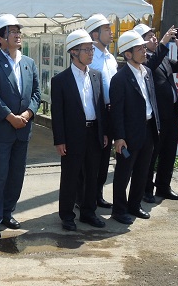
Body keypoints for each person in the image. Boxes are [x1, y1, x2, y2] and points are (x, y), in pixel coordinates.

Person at [0, 14, 41, 241]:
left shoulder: (29, 63)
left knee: (16, 174)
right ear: (0, 38)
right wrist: (9, 116)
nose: (17, 35)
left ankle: (7, 212)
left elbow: (36, 92)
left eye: (18, 31)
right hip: (2, 129)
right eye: (12, 32)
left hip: (23, 128)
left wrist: (27, 114)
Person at [51, 29, 109, 231]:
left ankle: (88, 212)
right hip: (73, 135)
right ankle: (67, 215)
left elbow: (100, 106)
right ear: (73, 52)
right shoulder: (61, 81)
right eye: (87, 49)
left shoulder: (96, 75)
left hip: (94, 133)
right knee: (70, 175)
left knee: (93, 174)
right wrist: (60, 140)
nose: (91, 53)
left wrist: (104, 132)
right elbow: (57, 113)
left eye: (92, 49)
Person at [109, 30, 160, 225]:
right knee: (124, 172)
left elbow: (151, 100)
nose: (144, 51)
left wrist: (157, 125)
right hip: (129, 134)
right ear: (128, 54)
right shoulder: (119, 79)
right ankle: (119, 209)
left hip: (148, 129)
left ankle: (135, 205)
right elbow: (117, 112)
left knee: (143, 169)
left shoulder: (146, 72)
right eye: (139, 49)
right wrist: (119, 137)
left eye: (143, 47)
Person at [136, 24, 178, 203]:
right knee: (152, 155)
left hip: (171, 113)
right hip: (156, 116)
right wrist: (164, 44)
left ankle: (163, 186)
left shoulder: (162, 56)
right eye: (149, 36)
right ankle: (146, 189)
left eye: (154, 35)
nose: (154, 38)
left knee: (169, 152)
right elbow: (150, 68)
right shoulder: (142, 61)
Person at [86, 13, 118, 208]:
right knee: (91, 158)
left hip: (110, 112)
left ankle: (97, 194)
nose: (111, 33)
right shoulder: (90, 58)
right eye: (106, 29)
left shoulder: (110, 57)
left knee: (105, 156)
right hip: (95, 113)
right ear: (95, 34)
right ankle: (84, 197)